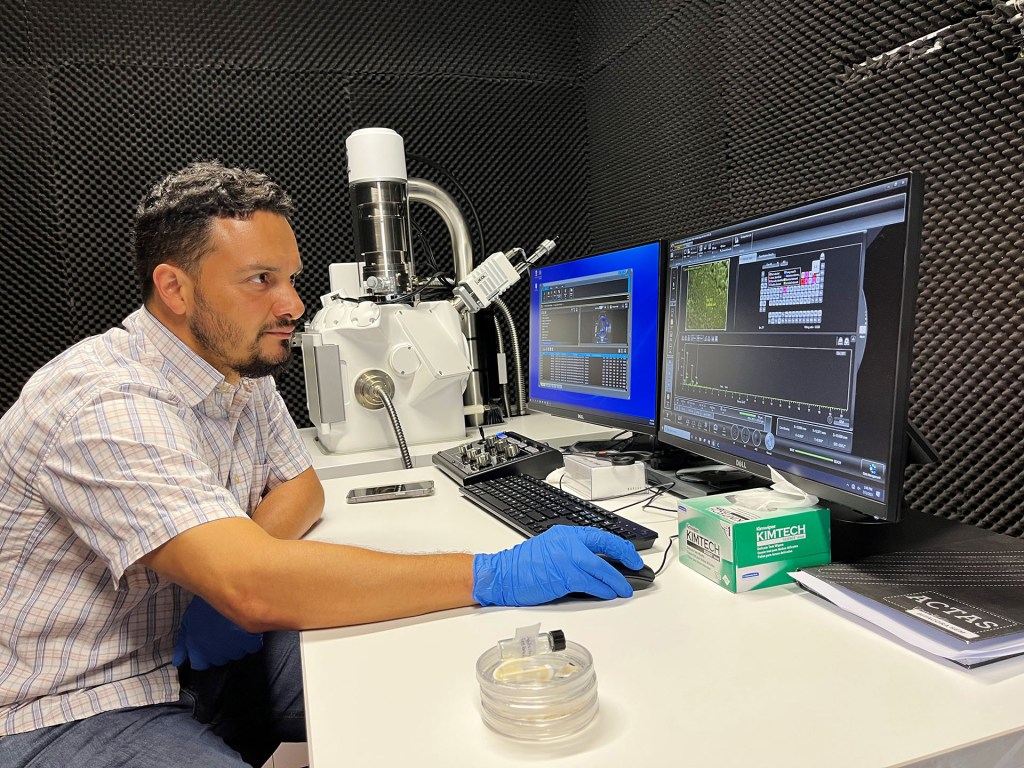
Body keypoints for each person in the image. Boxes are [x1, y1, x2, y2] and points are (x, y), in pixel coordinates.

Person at [0, 162, 645, 767]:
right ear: (174, 287)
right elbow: (254, 588)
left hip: (192, 660)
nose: (293, 305)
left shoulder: (235, 372)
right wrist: (495, 573)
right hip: (75, 701)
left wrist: (226, 576)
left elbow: (302, 485)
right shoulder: (103, 399)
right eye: (261, 281)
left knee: (444, 671)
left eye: (290, 278)